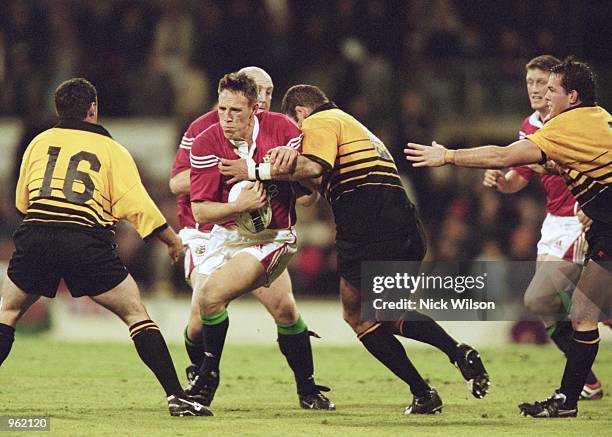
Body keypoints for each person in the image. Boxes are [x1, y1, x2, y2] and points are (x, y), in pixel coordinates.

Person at [219, 84, 490, 415]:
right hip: (406, 227)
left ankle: (427, 385)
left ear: (301, 113)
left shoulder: (319, 122)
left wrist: (253, 170)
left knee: (359, 316)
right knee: (385, 312)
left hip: (368, 229)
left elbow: (314, 167)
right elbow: (319, 183)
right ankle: (454, 356)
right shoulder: (354, 128)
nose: (295, 138)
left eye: (295, 129)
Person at [405, 57, 612, 418]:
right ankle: (571, 396)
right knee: (573, 308)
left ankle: (569, 398)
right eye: (537, 84)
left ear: (572, 96)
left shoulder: (567, 125)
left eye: (551, 88)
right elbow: (540, 165)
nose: (543, 93)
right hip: (600, 224)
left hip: (592, 225)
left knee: (579, 310)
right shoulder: (593, 118)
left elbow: (502, 155)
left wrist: (449, 155)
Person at [0, 78, 211, 417]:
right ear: (93, 108)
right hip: (84, 239)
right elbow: (136, 202)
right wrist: (170, 239)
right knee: (135, 313)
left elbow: (22, 200)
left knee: (7, 313)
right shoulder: (112, 150)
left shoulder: (38, 143)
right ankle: (176, 397)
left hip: (36, 233)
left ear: (59, 109)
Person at [169, 67, 326, 410]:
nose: (267, 97)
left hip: (267, 235)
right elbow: (182, 189)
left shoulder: (283, 129)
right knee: (199, 318)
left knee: (284, 308)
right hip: (211, 233)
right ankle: (201, 372)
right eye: (260, 90)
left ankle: (307, 389)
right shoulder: (203, 132)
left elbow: (311, 184)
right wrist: (233, 196)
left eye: (269, 91)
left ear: (256, 104)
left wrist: (267, 173)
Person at [482, 55, 602, 400]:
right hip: (553, 222)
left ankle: (578, 380)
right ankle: (589, 381)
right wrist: (502, 183)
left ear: (559, 89)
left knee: (549, 297)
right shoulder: (531, 125)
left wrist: (595, 206)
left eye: (543, 84)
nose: (536, 90)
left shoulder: (580, 121)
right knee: (544, 305)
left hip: (580, 218)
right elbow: (518, 176)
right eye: (531, 83)